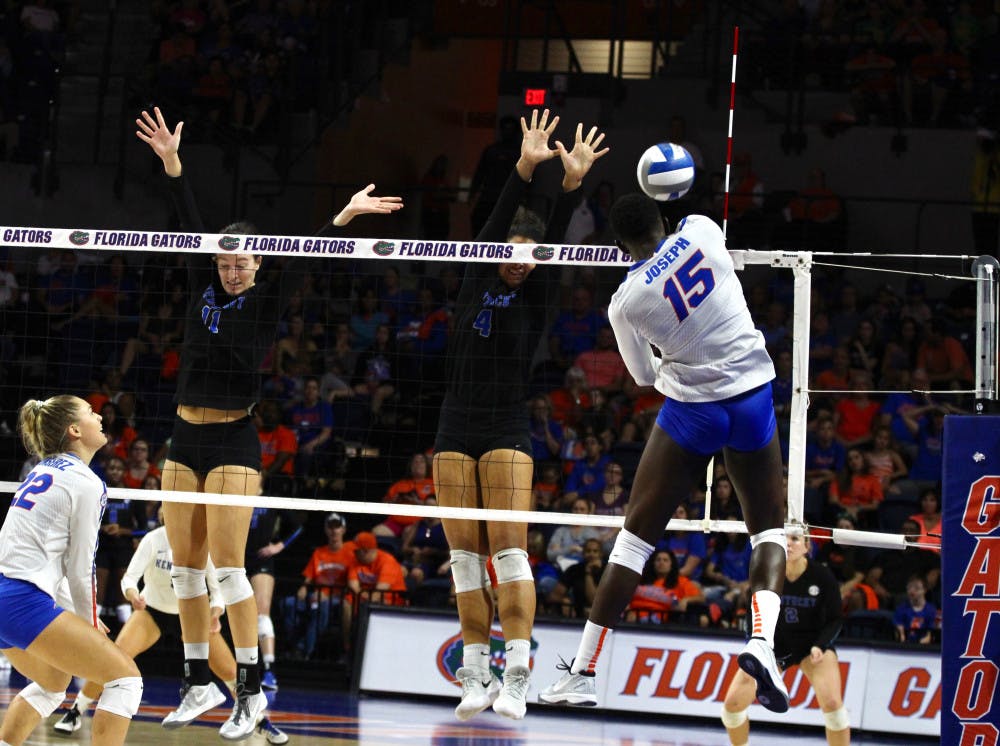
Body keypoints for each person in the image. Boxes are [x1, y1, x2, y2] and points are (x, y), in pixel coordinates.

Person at [134, 105, 402, 739]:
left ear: (256, 266)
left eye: (243, 263)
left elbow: (310, 257)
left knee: (229, 566)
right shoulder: (207, 279)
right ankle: (199, 681)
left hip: (232, 437)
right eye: (226, 261)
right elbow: (190, 221)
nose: (232, 269)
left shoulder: (267, 297)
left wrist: (344, 215)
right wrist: (173, 165)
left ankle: (250, 693)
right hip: (183, 437)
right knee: (187, 566)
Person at [539, 193, 789, 713]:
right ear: (663, 220)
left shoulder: (626, 301)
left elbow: (641, 377)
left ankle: (583, 672)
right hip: (752, 398)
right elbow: (692, 212)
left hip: (694, 410)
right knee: (767, 529)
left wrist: (672, 355)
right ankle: (763, 644)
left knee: (633, 544)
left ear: (617, 243)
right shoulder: (700, 231)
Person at [433, 109, 608, 722]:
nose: (521, 259)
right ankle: (474, 674)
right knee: (461, 558)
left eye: (531, 254)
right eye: (513, 248)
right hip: (453, 425)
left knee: (507, 554)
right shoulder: (478, 272)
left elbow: (551, 231)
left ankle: (516, 674)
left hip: (506, 426)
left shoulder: (538, 287)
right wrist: (525, 165)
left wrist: (569, 182)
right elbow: (495, 218)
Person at [52, 522, 289, 744]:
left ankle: (261, 721)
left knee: (230, 673)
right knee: (113, 659)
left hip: (193, 616)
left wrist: (215, 613)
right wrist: (133, 595)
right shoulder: (154, 539)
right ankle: (75, 712)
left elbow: (217, 592)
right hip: (152, 610)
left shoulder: (201, 545)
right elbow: (129, 579)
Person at [0, 396, 141, 745]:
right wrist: (89, 621)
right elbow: (79, 568)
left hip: (9, 596)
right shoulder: (86, 482)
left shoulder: (42, 470)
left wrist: (80, 616)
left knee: (52, 683)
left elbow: (51, 562)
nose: (100, 416)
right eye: (92, 413)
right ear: (75, 430)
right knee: (125, 680)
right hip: (20, 601)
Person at [721, 526, 849, 745]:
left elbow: (836, 618)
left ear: (807, 546)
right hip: (775, 646)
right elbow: (752, 615)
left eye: (795, 539)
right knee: (731, 709)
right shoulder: (766, 574)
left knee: (833, 707)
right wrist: (755, 646)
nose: (788, 543)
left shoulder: (822, 576)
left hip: (813, 646)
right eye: (783, 538)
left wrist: (821, 645)